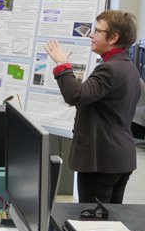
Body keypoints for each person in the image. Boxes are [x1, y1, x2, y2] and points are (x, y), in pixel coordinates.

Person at [44, 10, 140, 204]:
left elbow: (76, 95)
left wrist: (62, 64)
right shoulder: (128, 66)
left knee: (92, 225)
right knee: (111, 222)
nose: (91, 35)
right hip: (120, 159)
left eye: (97, 31)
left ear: (113, 37)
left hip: (101, 161)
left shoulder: (109, 69)